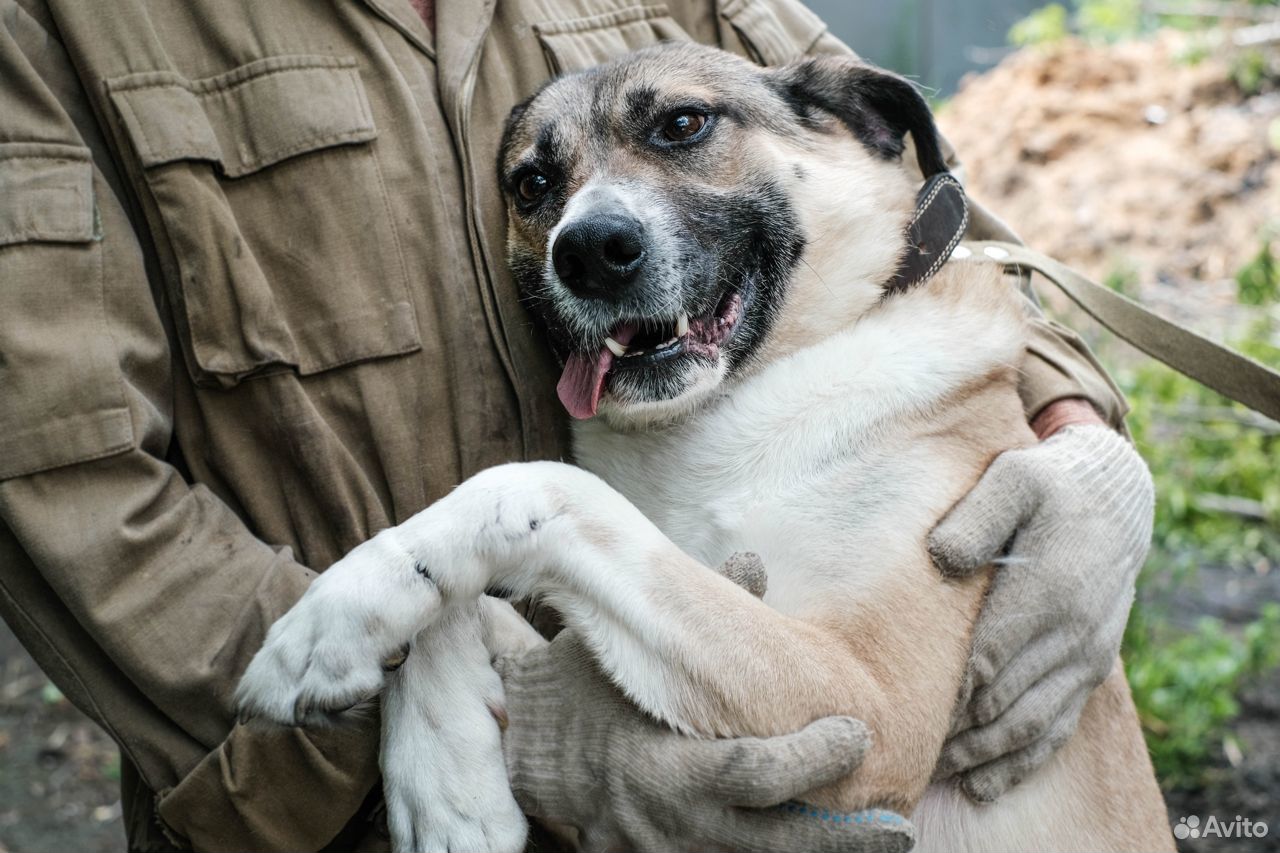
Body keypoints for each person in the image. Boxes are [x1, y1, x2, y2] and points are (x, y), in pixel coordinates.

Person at [0, 0, 1153, 850]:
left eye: (678, 129)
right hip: (368, 809)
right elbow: (57, 476)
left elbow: (895, 181)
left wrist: (1075, 436)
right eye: (538, 193)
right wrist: (490, 711)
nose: (592, 222)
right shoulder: (58, 28)